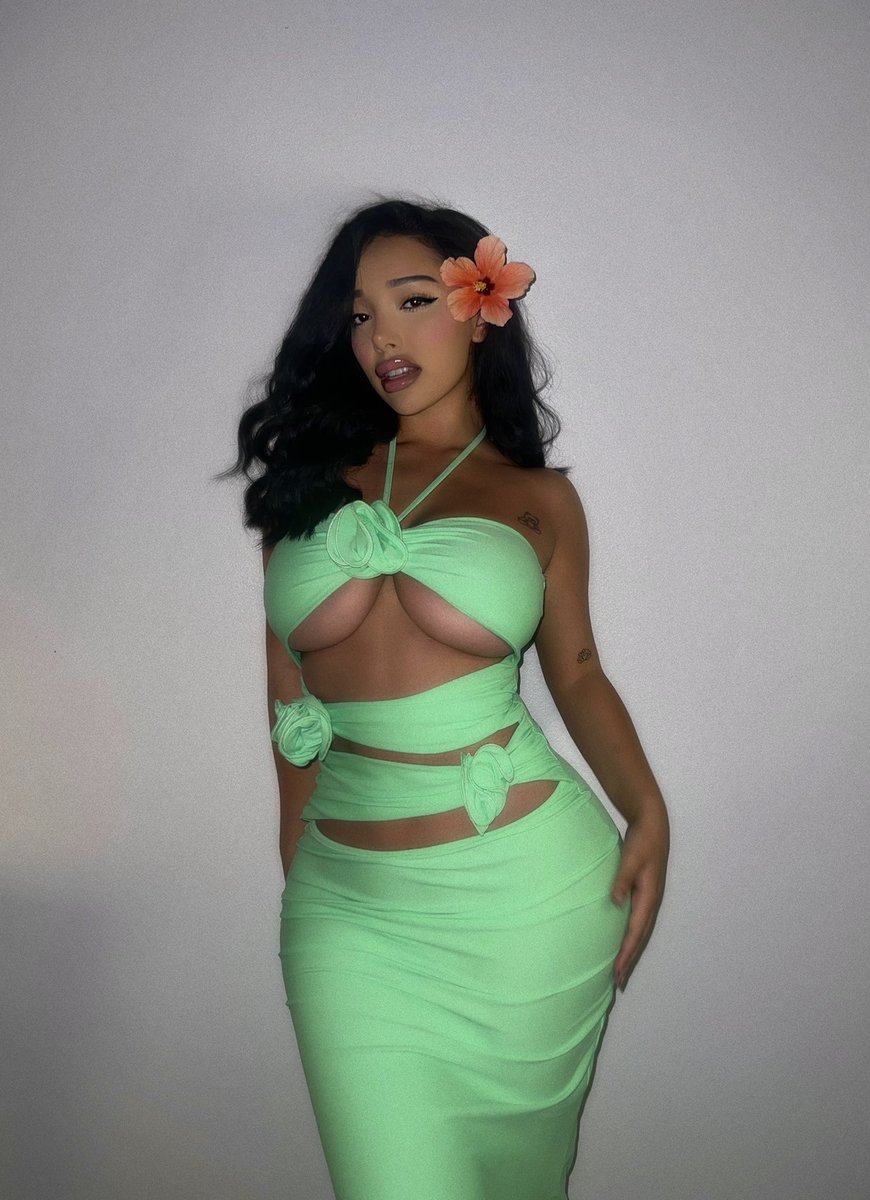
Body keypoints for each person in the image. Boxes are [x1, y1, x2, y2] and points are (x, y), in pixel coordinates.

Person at [230, 199, 669, 1200]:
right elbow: (286, 698)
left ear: (480, 312)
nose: (382, 336)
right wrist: (302, 868)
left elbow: (578, 672)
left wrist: (648, 809)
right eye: (359, 315)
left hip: (530, 901)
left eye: (413, 301)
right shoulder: (303, 489)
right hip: (349, 914)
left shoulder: (540, 500)